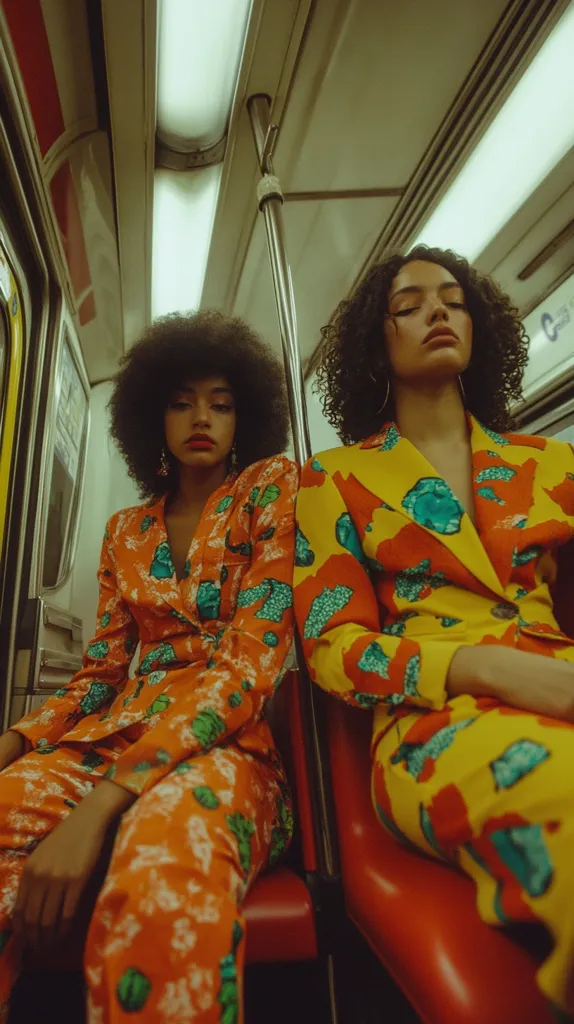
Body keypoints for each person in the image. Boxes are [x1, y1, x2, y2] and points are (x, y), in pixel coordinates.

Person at [293, 246, 574, 1021]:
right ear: (374, 343)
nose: (438, 311)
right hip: (434, 724)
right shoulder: (335, 477)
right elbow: (334, 647)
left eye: (452, 299)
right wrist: (482, 668)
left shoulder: (551, 462)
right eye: (409, 304)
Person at [0, 311, 298, 1022]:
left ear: (244, 417)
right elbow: (99, 675)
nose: (202, 417)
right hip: (111, 734)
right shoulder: (124, 531)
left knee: (162, 862)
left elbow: (251, 666)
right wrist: (14, 741)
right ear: (152, 416)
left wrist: (104, 805)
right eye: (181, 401)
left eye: (222, 403)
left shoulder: (271, 489)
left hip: (227, 744)